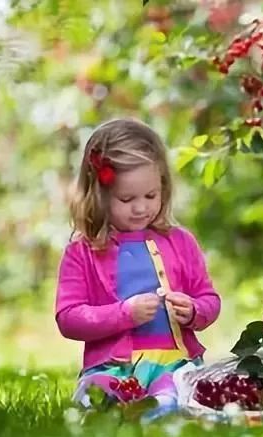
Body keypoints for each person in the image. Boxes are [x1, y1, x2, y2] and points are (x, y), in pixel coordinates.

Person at [55, 118, 220, 420]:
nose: (141, 208)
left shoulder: (180, 242)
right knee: (93, 401)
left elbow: (209, 299)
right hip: (110, 366)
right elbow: (68, 318)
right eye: (127, 199)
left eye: (151, 196)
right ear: (98, 195)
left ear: (163, 188)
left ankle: (158, 412)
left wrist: (194, 310)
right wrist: (124, 314)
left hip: (174, 362)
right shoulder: (82, 251)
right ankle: (113, 410)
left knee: (176, 399)